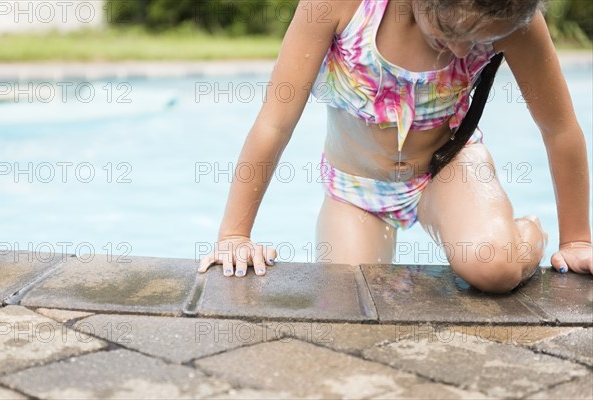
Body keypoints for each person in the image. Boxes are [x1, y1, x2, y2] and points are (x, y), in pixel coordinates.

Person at [198, 0, 592, 293]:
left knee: (494, 267)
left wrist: (576, 240)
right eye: (447, 33)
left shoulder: (510, 15)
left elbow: (559, 129)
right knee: (350, 297)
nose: (460, 51)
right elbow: (274, 122)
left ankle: (525, 236)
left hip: (447, 167)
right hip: (357, 188)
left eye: (478, 40)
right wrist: (235, 234)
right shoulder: (340, 6)